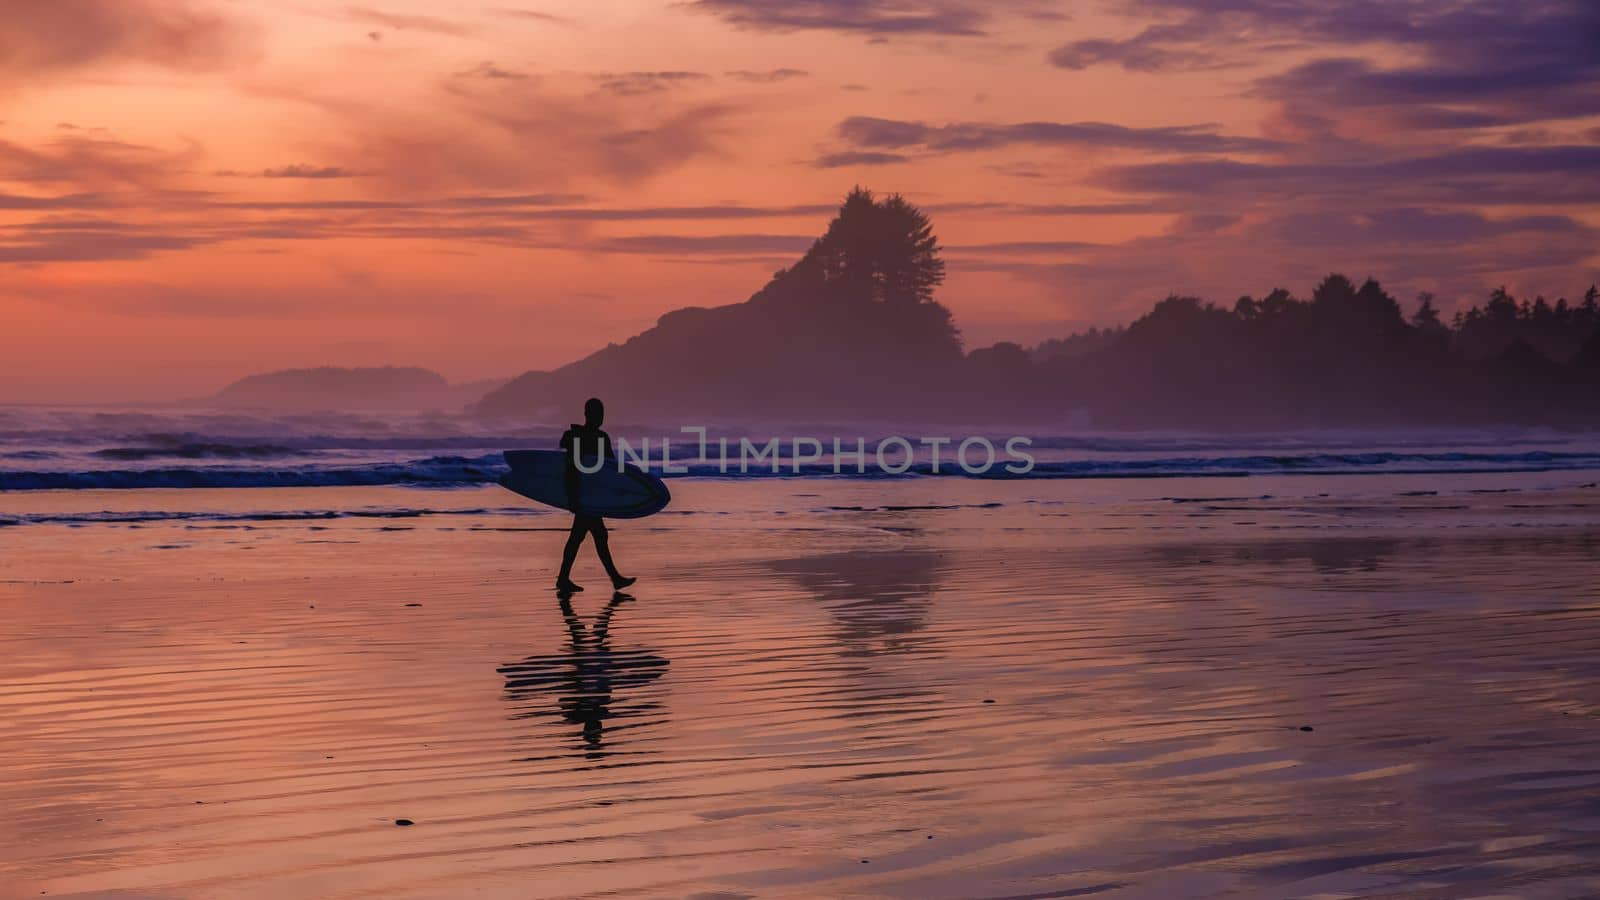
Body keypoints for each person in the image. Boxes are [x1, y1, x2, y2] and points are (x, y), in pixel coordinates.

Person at [556, 397, 636, 594]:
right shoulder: (579, 437)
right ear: (587, 414)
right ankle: (612, 579)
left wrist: (616, 491)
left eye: (602, 414)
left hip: (592, 495)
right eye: (596, 413)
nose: (600, 417)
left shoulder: (599, 437)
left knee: (581, 536)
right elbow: (571, 467)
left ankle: (564, 578)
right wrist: (572, 497)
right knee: (593, 536)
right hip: (584, 495)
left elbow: (609, 467)